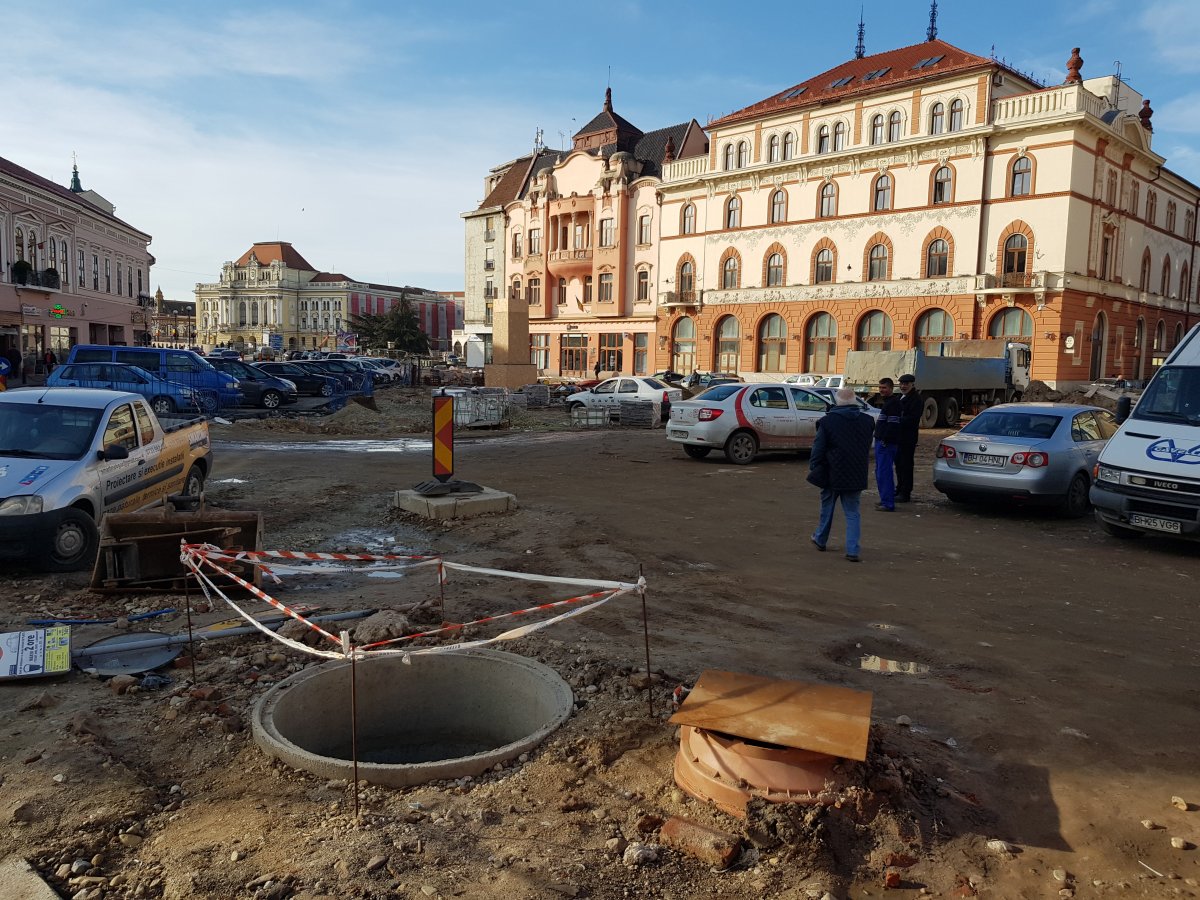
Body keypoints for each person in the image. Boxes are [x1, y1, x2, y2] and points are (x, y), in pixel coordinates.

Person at [808, 387, 875, 562]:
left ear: (837, 402)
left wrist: (814, 466)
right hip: (856, 472)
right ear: (855, 401)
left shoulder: (828, 422)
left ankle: (821, 539)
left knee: (827, 508)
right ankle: (853, 550)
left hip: (832, 470)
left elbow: (818, 448)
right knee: (853, 512)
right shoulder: (868, 421)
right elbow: (867, 445)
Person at [873, 377, 902, 511]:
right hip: (882, 442)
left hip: (886, 444)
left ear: (891, 388)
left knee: (884, 473)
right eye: (880, 388)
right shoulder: (888, 402)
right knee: (880, 472)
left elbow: (893, 425)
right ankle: (885, 499)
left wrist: (885, 440)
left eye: (884, 388)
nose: (881, 390)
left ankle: (888, 503)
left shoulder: (894, 404)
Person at [895, 373, 922, 502]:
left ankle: (905, 492)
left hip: (907, 438)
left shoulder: (916, 399)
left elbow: (912, 419)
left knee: (906, 465)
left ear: (912, 384)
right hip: (898, 437)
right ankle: (899, 488)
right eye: (901, 384)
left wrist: (896, 420)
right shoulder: (901, 397)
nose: (903, 386)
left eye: (906, 384)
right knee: (899, 465)